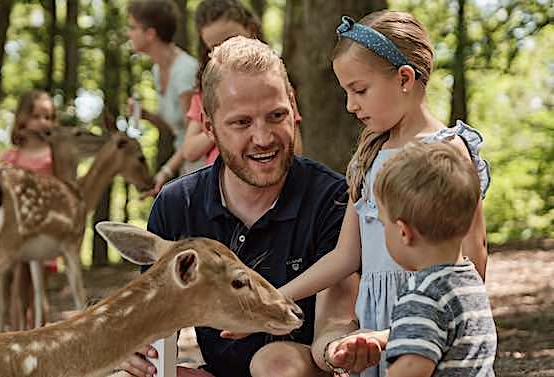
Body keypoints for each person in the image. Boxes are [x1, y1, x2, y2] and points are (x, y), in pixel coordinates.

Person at [119, 36, 379, 377]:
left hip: (298, 367)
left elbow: (335, 319)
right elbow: (155, 322)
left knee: (276, 364)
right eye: (242, 122)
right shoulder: (176, 205)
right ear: (210, 127)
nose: (263, 137)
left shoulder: (332, 199)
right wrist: (137, 349)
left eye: (276, 116)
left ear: (294, 108)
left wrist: (338, 350)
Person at [276, 11, 491, 377]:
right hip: (373, 325)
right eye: (346, 92)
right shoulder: (369, 156)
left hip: (429, 319)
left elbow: (474, 257)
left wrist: (445, 324)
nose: (350, 105)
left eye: (359, 90)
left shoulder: (446, 152)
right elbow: (345, 255)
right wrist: (276, 298)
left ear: (405, 78)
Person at [365, 141, 497, 376]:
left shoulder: (422, 293)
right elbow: (444, 332)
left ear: (404, 232)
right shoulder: (468, 280)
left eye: (383, 224)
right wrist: (388, 336)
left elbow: (413, 368)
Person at [181, 0, 303, 167]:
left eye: (231, 40)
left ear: (251, 30)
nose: (226, 50)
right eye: (214, 47)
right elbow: (189, 151)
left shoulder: (276, 86)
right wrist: (225, 124)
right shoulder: (206, 93)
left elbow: (296, 150)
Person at [126, 0, 199, 196]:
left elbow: (193, 133)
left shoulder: (185, 71)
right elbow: (176, 127)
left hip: (201, 165)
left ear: (150, 33)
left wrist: (166, 171)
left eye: (133, 27)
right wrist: (146, 115)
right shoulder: (158, 70)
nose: (128, 33)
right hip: (186, 166)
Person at [0, 90, 58, 330]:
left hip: (44, 231)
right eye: (37, 116)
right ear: (23, 118)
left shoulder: (52, 157)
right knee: (16, 287)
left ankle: (39, 336)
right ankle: (16, 337)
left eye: (49, 117)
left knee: (38, 289)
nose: (43, 122)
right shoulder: (11, 157)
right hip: (17, 231)